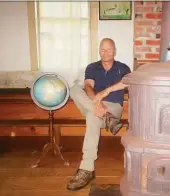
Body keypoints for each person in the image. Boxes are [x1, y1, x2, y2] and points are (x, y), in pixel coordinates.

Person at [67, 38, 131, 191]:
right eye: (102, 49)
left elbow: (127, 82)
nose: (105, 52)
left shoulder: (123, 68)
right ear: (99, 51)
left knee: (92, 116)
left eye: (108, 49)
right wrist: (97, 102)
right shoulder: (92, 67)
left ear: (114, 51)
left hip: (113, 107)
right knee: (74, 88)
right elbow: (88, 86)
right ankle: (107, 118)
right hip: (94, 104)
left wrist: (106, 91)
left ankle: (87, 169)